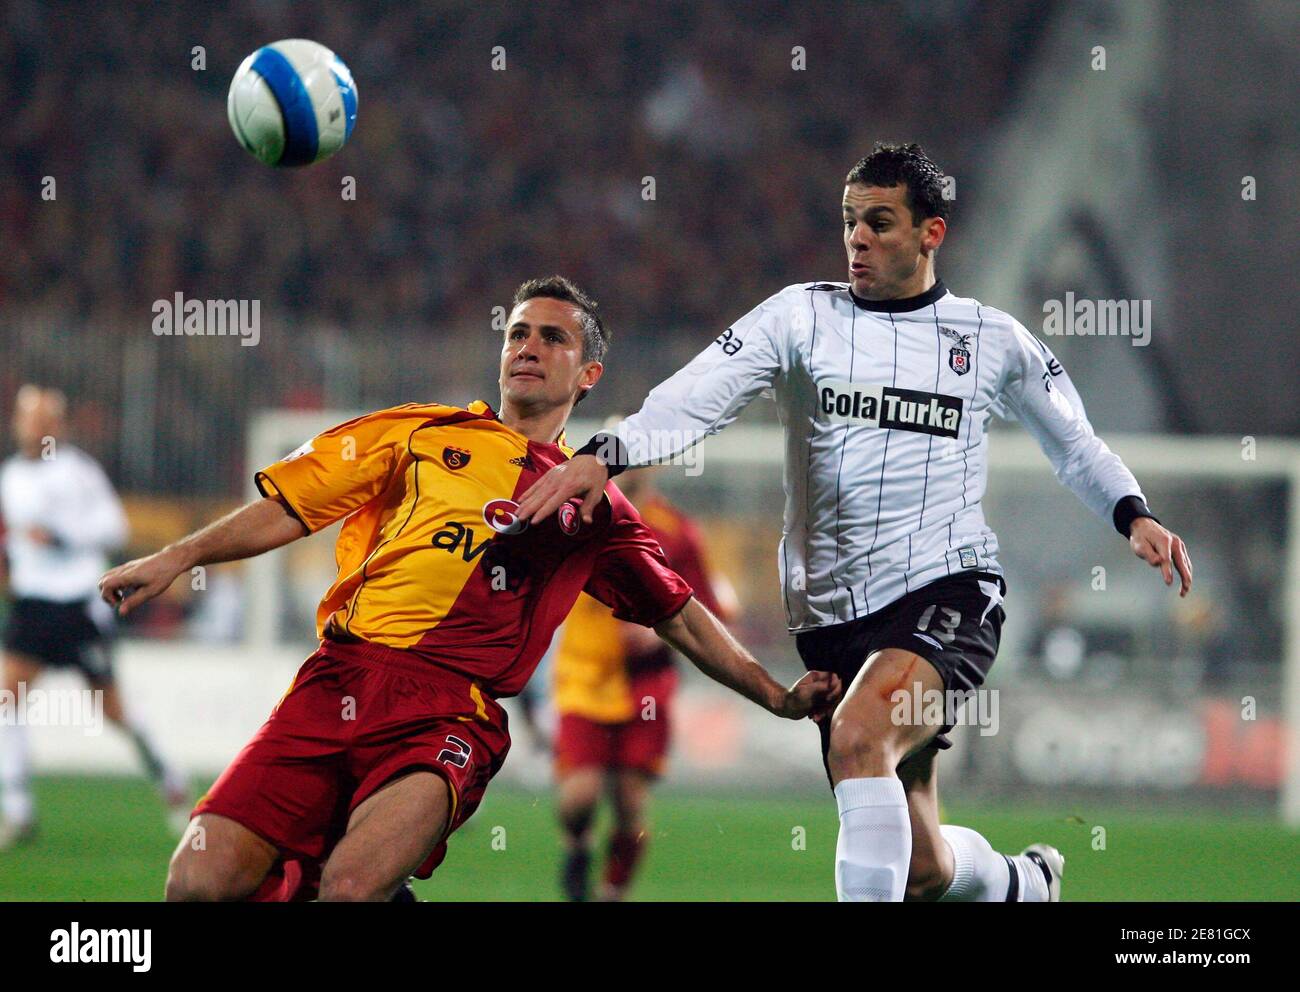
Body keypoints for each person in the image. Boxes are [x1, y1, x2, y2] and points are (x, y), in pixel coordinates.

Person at [514, 145, 1194, 902]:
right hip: (832, 621)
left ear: (931, 233)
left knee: (862, 734)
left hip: (949, 591)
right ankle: (1023, 884)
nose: (857, 239)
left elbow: (1076, 444)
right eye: (849, 222)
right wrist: (608, 453)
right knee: (920, 868)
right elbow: (698, 395)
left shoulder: (989, 340)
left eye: (879, 222)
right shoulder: (801, 317)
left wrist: (1132, 513)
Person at [98, 276, 840, 902]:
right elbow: (292, 506)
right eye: (518, 333)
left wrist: (775, 695)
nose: (528, 347)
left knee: (352, 890)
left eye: (554, 338)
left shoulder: (594, 505)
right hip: (334, 682)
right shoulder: (421, 433)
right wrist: (178, 556)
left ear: (589, 376)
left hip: (449, 711)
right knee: (195, 884)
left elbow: (679, 614)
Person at [1, 385, 189, 849]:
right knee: (6, 699)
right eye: (28, 418)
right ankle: (17, 809)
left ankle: (169, 776)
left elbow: (115, 527)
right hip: (33, 604)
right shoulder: (9, 477)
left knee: (113, 710)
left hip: (77, 605)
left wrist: (62, 536)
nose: (35, 427)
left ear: (57, 426)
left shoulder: (78, 472)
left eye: (44, 419)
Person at [552, 465, 737, 900]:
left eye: (637, 458)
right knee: (580, 797)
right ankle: (577, 844)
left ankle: (612, 892)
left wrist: (657, 631)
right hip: (585, 674)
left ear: (653, 465)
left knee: (630, 804)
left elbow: (705, 609)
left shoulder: (677, 531)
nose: (628, 467)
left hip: (646, 687)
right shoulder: (573, 514)